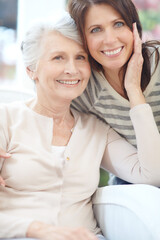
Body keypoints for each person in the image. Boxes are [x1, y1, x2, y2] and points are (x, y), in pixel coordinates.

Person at [0, 11, 160, 240]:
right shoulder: (5, 119)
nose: (72, 69)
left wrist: (134, 90)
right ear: (31, 70)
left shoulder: (95, 129)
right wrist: (37, 230)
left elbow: (152, 174)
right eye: (58, 58)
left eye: (80, 57)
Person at [68, 0, 160, 185]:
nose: (110, 40)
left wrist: (134, 86)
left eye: (118, 24)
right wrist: (133, 91)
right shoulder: (83, 91)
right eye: (95, 29)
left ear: (134, 26)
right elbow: (41, 112)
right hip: (134, 184)